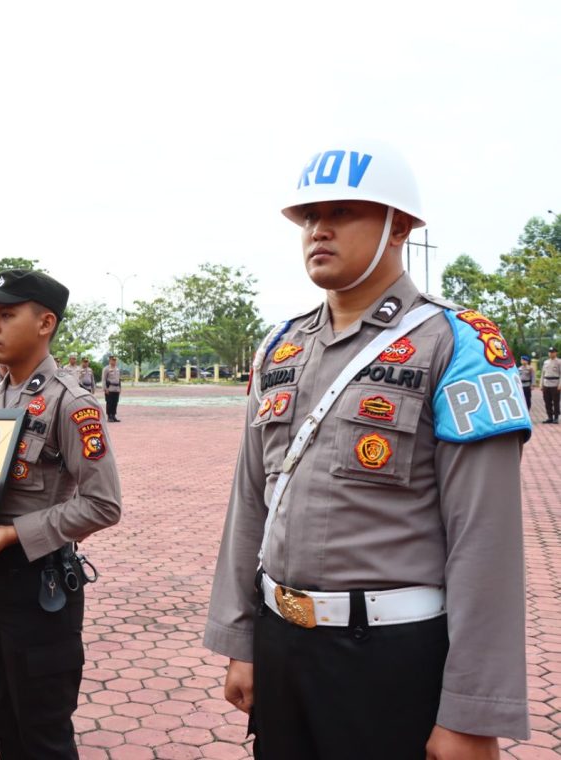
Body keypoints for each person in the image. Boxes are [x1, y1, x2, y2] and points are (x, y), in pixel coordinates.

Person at [204, 141, 531, 759]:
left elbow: (484, 539)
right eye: (307, 218)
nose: (318, 230)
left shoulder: (458, 342)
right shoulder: (280, 346)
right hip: (281, 644)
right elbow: (249, 502)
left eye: (344, 211)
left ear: (399, 225)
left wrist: (471, 711)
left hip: (391, 657)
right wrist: (239, 639)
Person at [0, 269, 123, 759]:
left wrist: (15, 534)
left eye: (6, 314)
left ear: (45, 323)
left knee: (44, 735)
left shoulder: (70, 402)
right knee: (2, 721)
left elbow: (103, 504)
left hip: (42, 589)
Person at [543, 346, 560, 423]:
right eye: (550, 352)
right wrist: (541, 384)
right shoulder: (546, 362)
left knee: (556, 402)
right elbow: (543, 374)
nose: (551, 353)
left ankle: (556, 418)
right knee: (547, 401)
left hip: (555, 384)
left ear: (556, 353)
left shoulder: (559, 362)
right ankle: (550, 417)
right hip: (546, 383)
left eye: (552, 352)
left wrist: (560, 384)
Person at [102, 355, 121, 422]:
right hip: (110, 388)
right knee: (109, 403)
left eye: (115, 360)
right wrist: (105, 388)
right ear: (109, 360)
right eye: (113, 360)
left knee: (115, 402)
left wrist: (120, 388)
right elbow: (104, 379)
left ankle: (113, 415)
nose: (114, 361)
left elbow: (119, 379)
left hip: (116, 388)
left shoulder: (117, 369)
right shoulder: (106, 369)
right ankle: (109, 416)